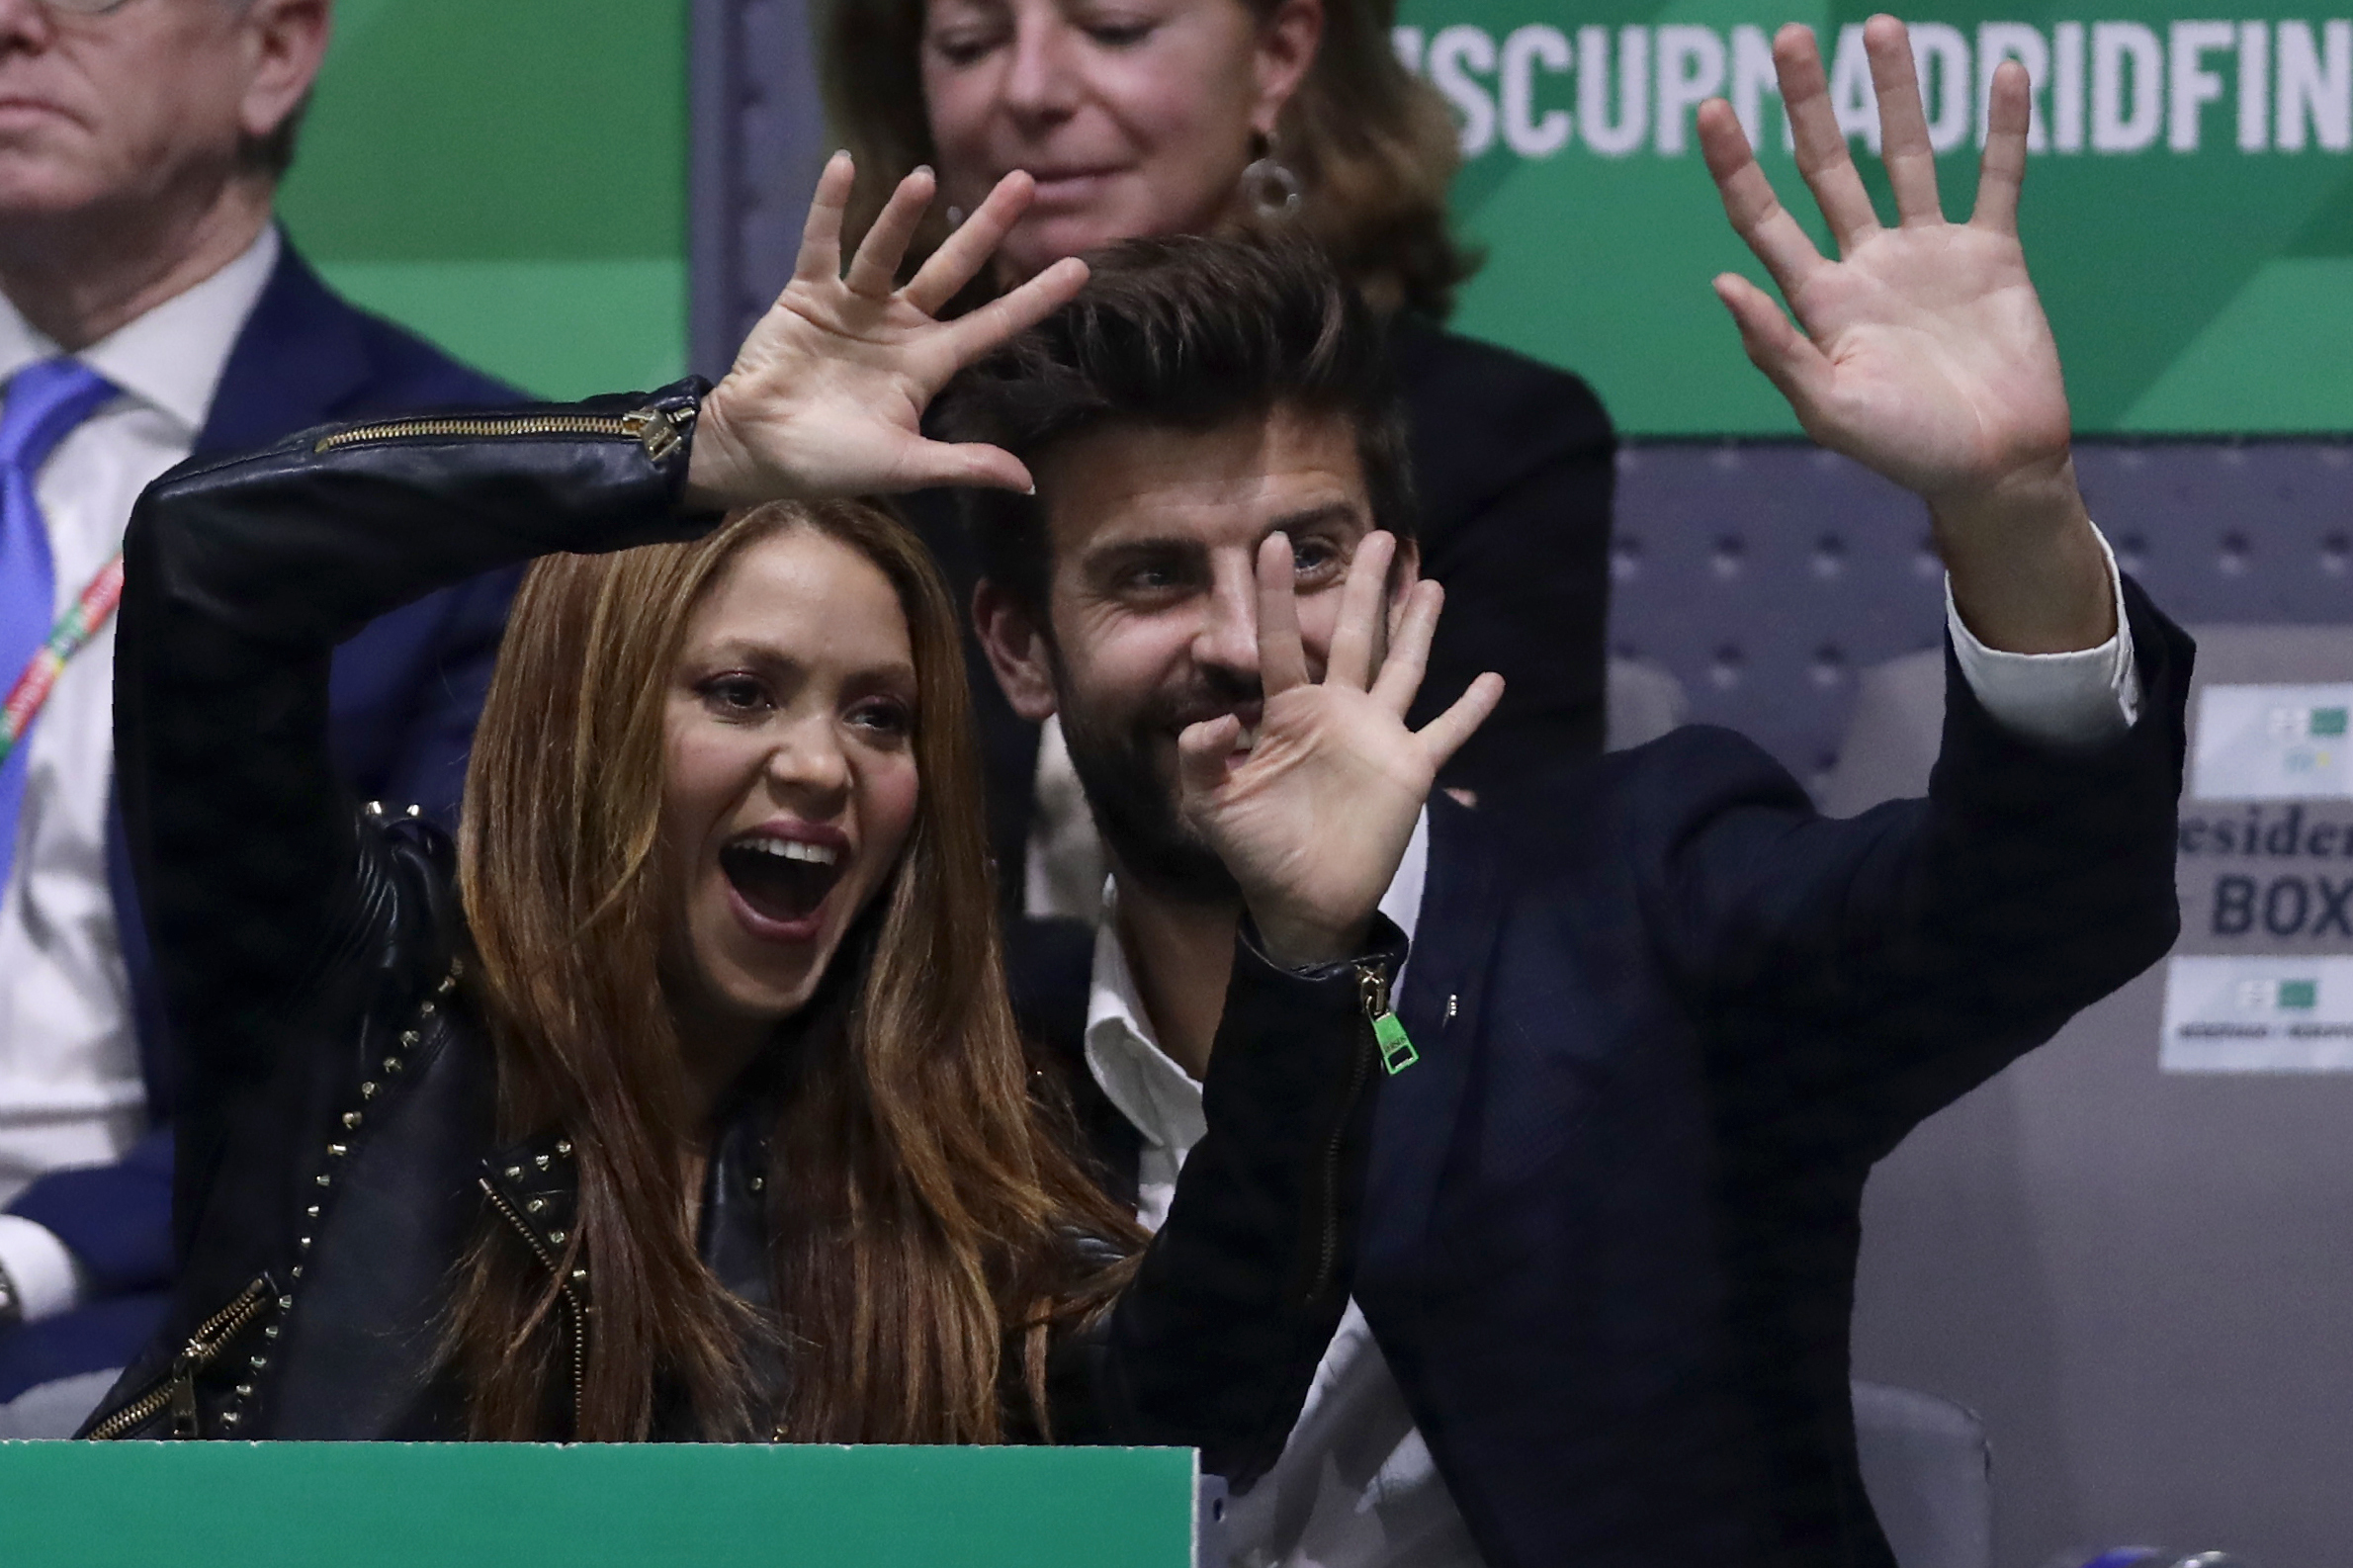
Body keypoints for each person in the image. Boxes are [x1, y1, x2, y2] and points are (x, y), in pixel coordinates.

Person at [941, 20, 2190, 1565]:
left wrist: (2009, 510)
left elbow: (2038, 907)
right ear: (1020, 649)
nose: (1244, 640)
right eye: (1147, 577)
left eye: (1310, 556)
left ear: (1412, 587)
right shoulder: (950, 1062)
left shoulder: (1638, 909)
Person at [74, 157, 1473, 1451]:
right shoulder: (361, 977)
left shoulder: (937, 1154)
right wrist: (681, 454)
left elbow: (1196, 1415)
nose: (821, 763)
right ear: (595, 719)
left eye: (879, 714)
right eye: (742, 692)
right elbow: (209, 563)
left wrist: (1301, 956)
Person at [0, 0, 521, 1418]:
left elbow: (403, 1045)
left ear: (276, 51)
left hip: (136, 1298)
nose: (11, 24)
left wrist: (28, 1249)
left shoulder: (455, 502)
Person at [821, 0, 1614, 901]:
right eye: (970, 43)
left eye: (1115, 28)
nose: (1031, 90)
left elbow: (1506, 891)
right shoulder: (860, 458)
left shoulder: (1492, 438)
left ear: (1277, 54)